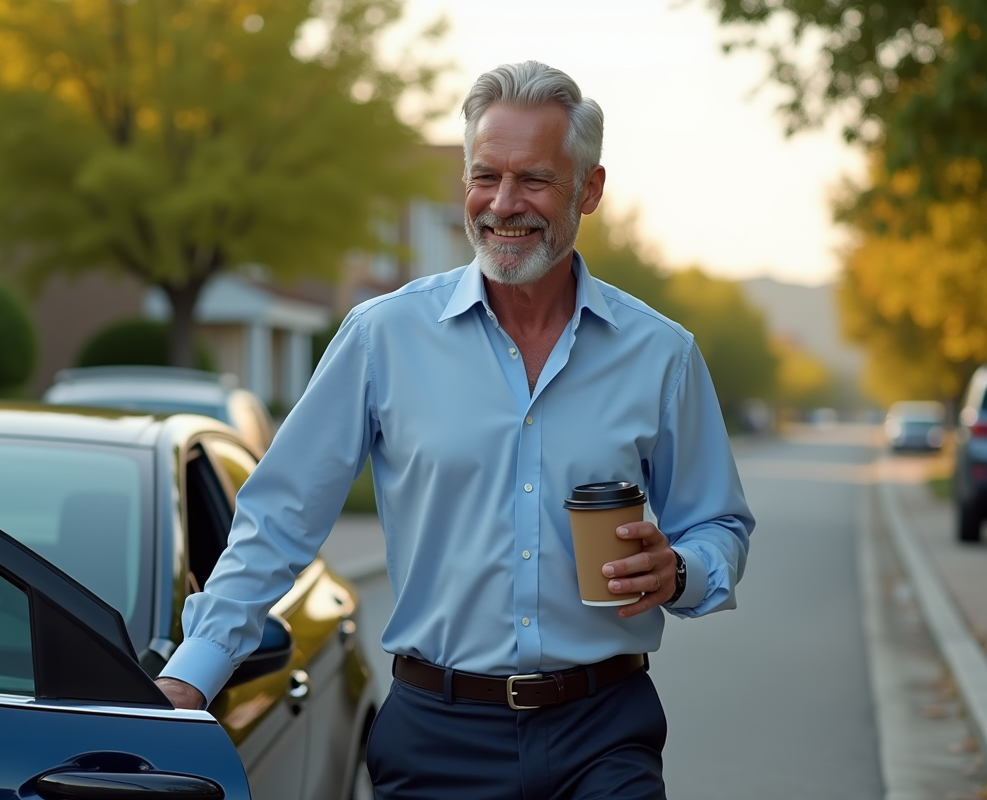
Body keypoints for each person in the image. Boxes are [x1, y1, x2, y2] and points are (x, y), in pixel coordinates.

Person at [156, 60, 754, 800]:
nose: (503, 204)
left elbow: (719, 524)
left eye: (534, 179)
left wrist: (681, 571)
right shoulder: (383, 337)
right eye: (484, 177)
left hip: (604, 730)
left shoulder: (661, 352)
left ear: (589, 189)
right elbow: (280, 516)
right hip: (437, 734)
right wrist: (193, 673)